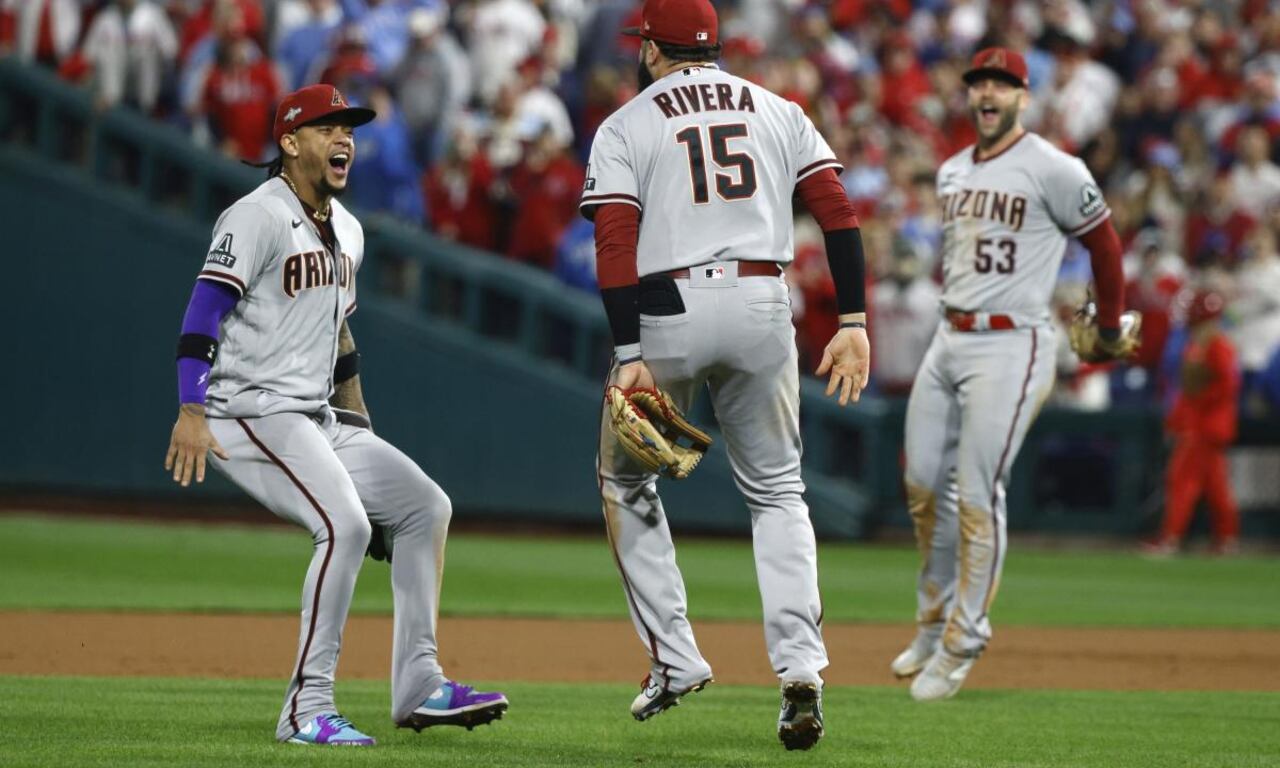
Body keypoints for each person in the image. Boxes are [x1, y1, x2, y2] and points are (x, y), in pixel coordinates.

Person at [163, 84, 508, 746]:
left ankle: (418, 685)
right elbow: (202, 313)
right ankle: (305, 708)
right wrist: (190, 406)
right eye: (327, 127)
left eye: (349, 127)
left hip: (316, 417)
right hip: (247, 410)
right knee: (345, 526)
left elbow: (341, 347)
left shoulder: (348, 229)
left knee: (424, 507)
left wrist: (363, 443)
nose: (344, 137)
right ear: (290, 143)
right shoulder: (256, 215)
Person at [580, 0, 871, 751]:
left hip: (667, 305)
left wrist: (626, 353)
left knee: (624, 480)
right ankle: (801, 673)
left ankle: (674, 658)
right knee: (778, 491)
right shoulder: (778, 108)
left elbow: (614, 244)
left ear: (651, 47)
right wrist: (852, 323)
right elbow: (838, 214)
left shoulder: (630, 122)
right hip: (763, 300)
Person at [892, 48, 1129, 701]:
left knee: (976, 493)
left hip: (1013, 342)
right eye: (979, 83)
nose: (987, 92)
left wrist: (1108, 326)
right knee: (919, 485)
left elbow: (1104, 245)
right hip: (949, 334)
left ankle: (963, 642)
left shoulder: (1055, 167)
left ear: (1024, 96)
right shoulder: (950, 171)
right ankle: (933, 618)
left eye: (1001, 83)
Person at [1145, 290, 1241, 556]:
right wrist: (1177, 420)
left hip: (1208, 426)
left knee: (1182, 481)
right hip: (1197, 424)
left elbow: (1228, 386)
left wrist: (1195, 414)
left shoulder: (1219, 346)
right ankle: (1226, 538)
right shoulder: (1196, 345)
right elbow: (1188, 392)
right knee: (1215, 486)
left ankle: (1171, 538)